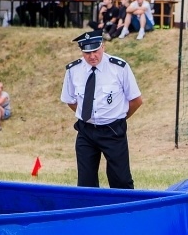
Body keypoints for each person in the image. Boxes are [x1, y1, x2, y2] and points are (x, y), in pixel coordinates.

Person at [60, 30, 143, 189]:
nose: (92, 56)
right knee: (86, 183)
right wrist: (87, 116)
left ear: (103, 47)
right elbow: (70, 100)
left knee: (121, 180)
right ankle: (90, 212)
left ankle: (124, 211)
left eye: (95, 51)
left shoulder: (119, 67)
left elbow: (136, 100)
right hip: (86, 131)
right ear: (82, 52)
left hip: (113, 130)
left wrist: (120, 118)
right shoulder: (73, 70)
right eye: (87, 52)